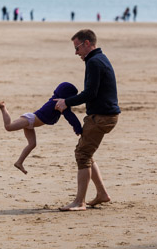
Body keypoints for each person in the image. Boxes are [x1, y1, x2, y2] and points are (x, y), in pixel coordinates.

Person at [55, 29, 120, 211]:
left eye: (77, 48)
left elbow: (90, 93)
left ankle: (79, 202)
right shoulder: (99, 58)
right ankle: (102, 194)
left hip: (102, 117)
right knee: (87, 153)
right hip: (105, 115)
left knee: (82, 155)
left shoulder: (94, 62)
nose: (76, 53)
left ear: (87, 43)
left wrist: (66, 102)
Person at [0, 82, 82, 175]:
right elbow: (70, 116)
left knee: (32, 144)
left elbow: (68, 115)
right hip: (30, 119)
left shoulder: (57, 102)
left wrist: (74, 127)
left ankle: (19, 162)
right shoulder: (57, 103)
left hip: (31, 123)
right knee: (8, 127)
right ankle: (3, 107)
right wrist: (78, 128)